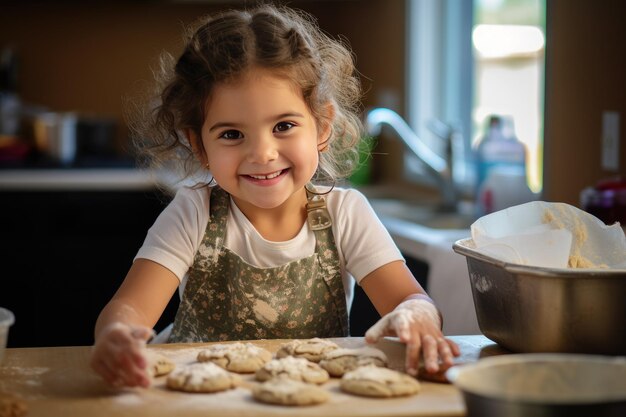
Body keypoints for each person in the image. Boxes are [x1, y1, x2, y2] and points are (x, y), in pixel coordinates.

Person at [90, 3, 460, 388]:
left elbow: (412, 301)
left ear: (321, 126)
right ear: (199, 146)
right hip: (197, 400)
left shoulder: (345, 214)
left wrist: (416, 314)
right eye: (231, 134)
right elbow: (129, 309)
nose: (262, 154)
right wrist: (117, 335)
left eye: (283, 126)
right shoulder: (193, 212)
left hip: (311, 397)